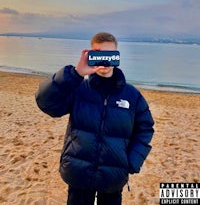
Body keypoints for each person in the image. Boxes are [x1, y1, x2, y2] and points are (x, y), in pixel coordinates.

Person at [35, 32, 154, 205]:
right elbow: (46, 103)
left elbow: (145, 128)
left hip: (114, 176)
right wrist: (75, 73)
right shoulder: (78, 89)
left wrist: (131, 162)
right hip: (78, 172)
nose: (104, 60)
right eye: (99, 53)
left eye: (110, 54)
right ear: (90, 54)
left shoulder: (132, 95)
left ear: (117, 55)